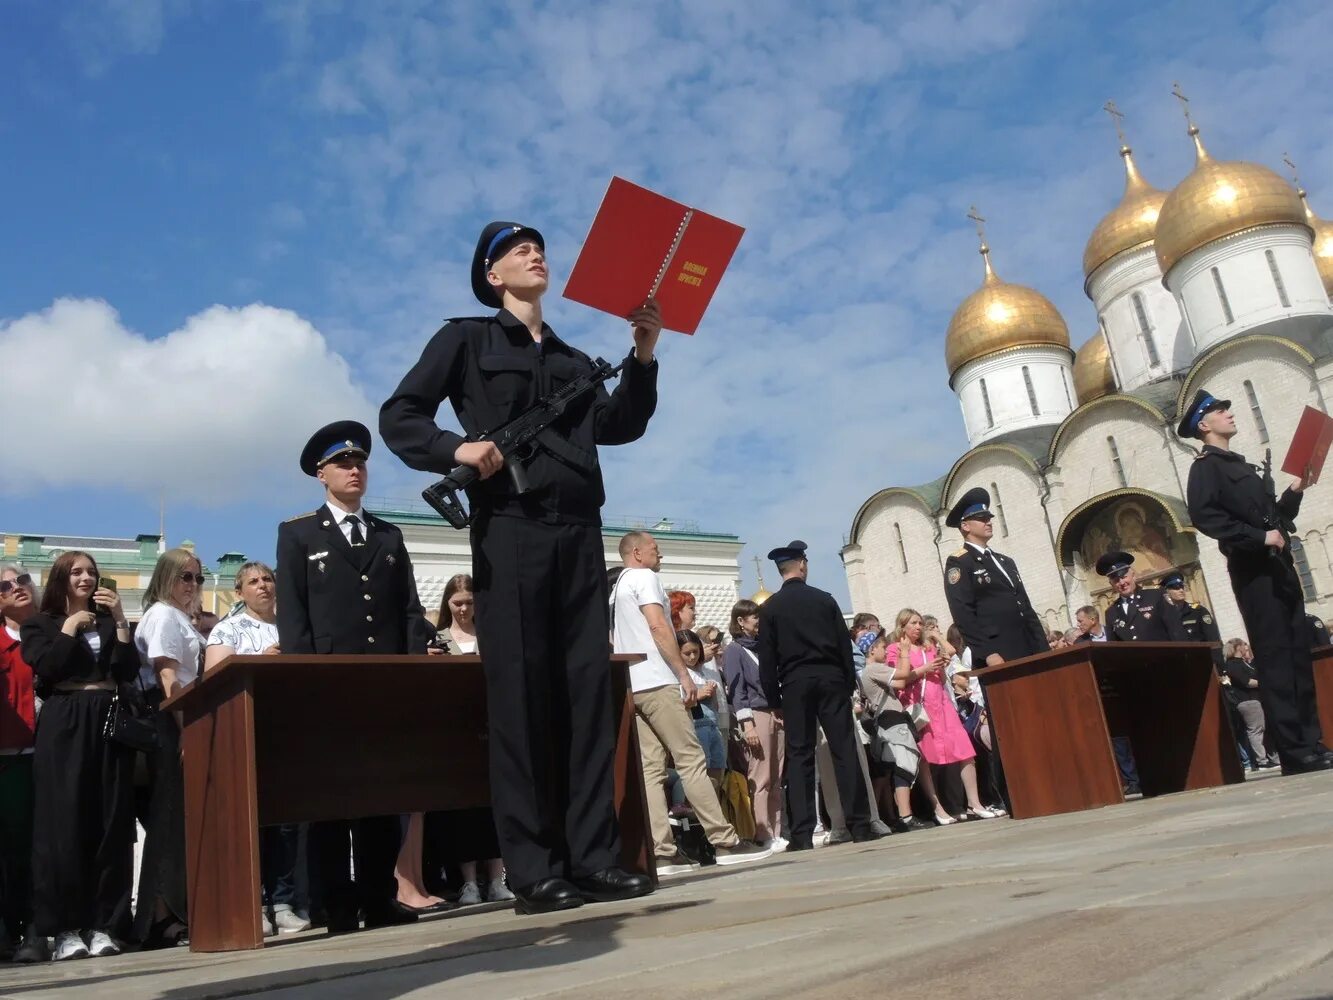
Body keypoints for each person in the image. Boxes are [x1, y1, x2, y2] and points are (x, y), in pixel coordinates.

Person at [379, 221, 661, 914]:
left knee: (585, 697)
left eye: (539, 246)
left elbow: (618, 424)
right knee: (521, 699)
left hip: (577, 534)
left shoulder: (570, 357)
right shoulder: (466, 340)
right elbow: (399, 415)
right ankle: (533, 870)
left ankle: (592, 858)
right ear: (492, 274)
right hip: (509, 531)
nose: (536, 254)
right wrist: (456, 449)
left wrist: (644, 353)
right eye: (518, 250)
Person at [276, 420, 431, 933]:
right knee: (329, 801)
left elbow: (408, 611)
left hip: (380, 686)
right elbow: (294, 618)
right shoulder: (298, 534)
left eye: (360, 461)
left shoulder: (388, 534)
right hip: (329, 688)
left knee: (379, 797)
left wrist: (406, 675)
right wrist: (304, 683)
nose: (355, 469)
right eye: (344, 463)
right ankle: (335, 906)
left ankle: (379, 897)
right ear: (321, 474)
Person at [1179, 390, 1330, 775]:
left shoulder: (1240, 465)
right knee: (1277, 661)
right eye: (1219, 411)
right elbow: (1206, 518)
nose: (1228, 414)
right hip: (1255, 574)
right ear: (1203, 424)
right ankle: (1295, 752)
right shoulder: (1206, 468)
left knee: (1297, 657)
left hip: (1279, 571)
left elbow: (1272, 519)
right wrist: (1259, 538)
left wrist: (1295, 492)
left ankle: (1312, 742)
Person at [613, 531, 769, 875]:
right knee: (691, 760)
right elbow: (658, 626)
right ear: (637, 553)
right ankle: (724, 841)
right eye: (655, 548)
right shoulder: (644, 577)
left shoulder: (618, 586)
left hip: (632, 683)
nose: (661, 553)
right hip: (657, 680)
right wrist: (683, 674)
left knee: (651, 771)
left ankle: (663, 852)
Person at [21, 551, 138, 960]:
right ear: (60, 579)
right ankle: (65, 929)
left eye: (91, 572)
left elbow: (125, 671)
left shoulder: (109, 621)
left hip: (107, 720)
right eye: (76, 572)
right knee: (63, 824)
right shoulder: (40, 625)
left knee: (109, 821)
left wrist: (122, 621)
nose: (86, 578)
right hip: (65, 719)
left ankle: (104, 923)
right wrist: (70, 628)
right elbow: (48, 668)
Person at [204, 562, 311, 935]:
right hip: (246, 735)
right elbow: (212, 682)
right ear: (239, 593)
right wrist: (259, 660)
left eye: (267, 579)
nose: (262, 586)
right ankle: (252, 901)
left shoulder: (295, 626)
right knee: (251, 821)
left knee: (286, 824)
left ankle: (282, 901)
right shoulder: (227, 628)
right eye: (253, 581)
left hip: (289, 732)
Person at [757, 540, 879, 850]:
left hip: (795, 685)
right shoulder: (824, 600)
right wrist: (848, 685)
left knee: (799, 755)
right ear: (802, 564)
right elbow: (842, 646)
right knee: (844, 749)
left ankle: (801, 833)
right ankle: (860, 824)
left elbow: (768, 660)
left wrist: (774, 700)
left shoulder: (770, 608)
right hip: (830, 679)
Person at [420, 574, 513, 908]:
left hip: (492, 726)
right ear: (447, 604)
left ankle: (497, 877)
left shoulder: (490, 634)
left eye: (469, 603)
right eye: (457, 603)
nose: (463, 609)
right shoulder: (440, 638)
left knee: (494, 804)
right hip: (457, 730)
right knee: (464, 811)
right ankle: (469, 882)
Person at [133, 546, 206, 948]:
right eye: (185, 576)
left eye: (197, 577)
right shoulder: (162, 614)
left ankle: (179, 911)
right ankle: (165, 918)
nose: (192, 585)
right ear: (166, 577)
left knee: (181, 820)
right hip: (171, 719)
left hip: (184, 718)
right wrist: (184, 731)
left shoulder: (181, 617)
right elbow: (167, 678)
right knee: (170, 822)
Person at [892, 610, 1001, 823]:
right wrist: (925, 668)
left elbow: (942, 676)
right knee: (926, 758)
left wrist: (938, 659)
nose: (918, 627)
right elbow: (900, 681)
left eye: (920, 623)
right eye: (913, 623)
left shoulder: (928, 647)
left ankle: (974, 803)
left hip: (942, 704)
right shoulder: (895, 649)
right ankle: (938, 808)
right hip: (921, 709)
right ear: (902, 625)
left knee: (964, 751)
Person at [0, 567, 47, 963]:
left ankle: (37, 930)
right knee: (9, 852)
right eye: (4, 586)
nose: (16, 588)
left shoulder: (53, 631)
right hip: (8, 760)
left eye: (21, 579)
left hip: (48, 757)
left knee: (40, 849)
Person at [723, 599, 785, 850]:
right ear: (740, 621)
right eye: (753, 617)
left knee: (777, 775)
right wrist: (747, 725)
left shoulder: (764, 647)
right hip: (756, 714)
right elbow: (737, 691)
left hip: (776, 712)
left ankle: (777, 829)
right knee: (761, 776)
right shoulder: (735, 651)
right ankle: (762, 831)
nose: (758, 621)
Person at [858, 631, 930, 831]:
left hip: (889, 722)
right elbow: (904, 675)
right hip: (892, 721)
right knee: (904, 766)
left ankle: (898, 816)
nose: (885, 650)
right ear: (872, 649)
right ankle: (906, 816)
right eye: (881, 647)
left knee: (896, 768)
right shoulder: (872, 669)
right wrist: (905, 653)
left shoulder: (871, 671)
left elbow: (899, 682)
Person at [1096, 552, 1188, 642]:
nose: (1122, 583)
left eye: (1124, 577)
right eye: (1116, 580)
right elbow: (1113, 648)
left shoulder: (1156, 596)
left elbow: (1176, 631)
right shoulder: (1111, 612)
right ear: (1111, 584)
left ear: (1133, 576)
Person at [1223, 639, 1279, 770]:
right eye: (1243, 646)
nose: (1246, 648)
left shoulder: (1243, 663)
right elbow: (1246, 682)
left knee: (1263, 729)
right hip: (1247, 701)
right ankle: (1262, 761)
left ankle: (1272, 758)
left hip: (1255, 700)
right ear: (1238, 648)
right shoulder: (1233, 665)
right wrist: (1266, 683)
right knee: (1255, 730)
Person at [1163, 573, 1224, 671]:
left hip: (1204, 664)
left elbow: (1213, 639)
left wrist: (1218, 666)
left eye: (1182, 586)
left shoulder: (1198, 611)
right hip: (1180, 667)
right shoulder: (1165, 616)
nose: (1181, 590)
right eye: (1176, 588)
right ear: (1167, 592)